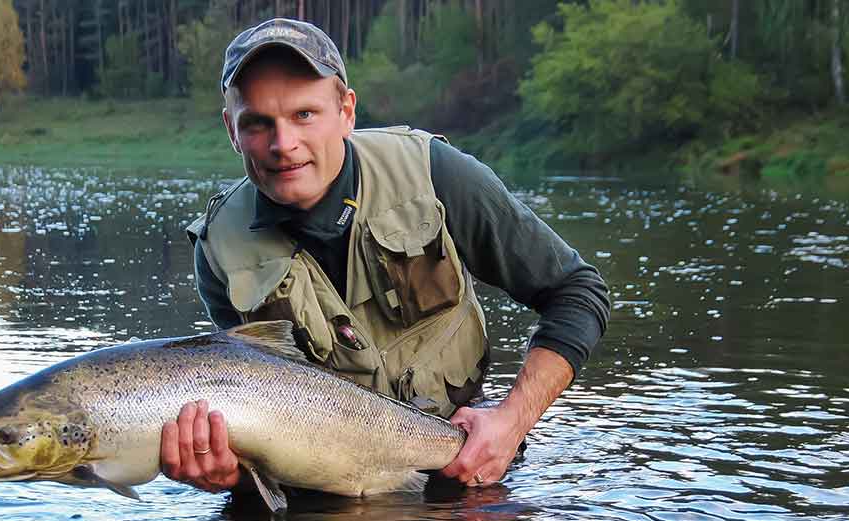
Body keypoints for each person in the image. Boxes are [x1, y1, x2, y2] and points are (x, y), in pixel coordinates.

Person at [160, 18, 610, 495]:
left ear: (346, 111)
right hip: (326, 491)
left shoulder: (435, 174)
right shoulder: (219, 248)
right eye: (257, 123)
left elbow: (578, 292)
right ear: (232, 129)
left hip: (468, 466)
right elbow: (252, 421)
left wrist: (511, 422)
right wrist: (230, 475)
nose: (283, 144)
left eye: (304, 115)